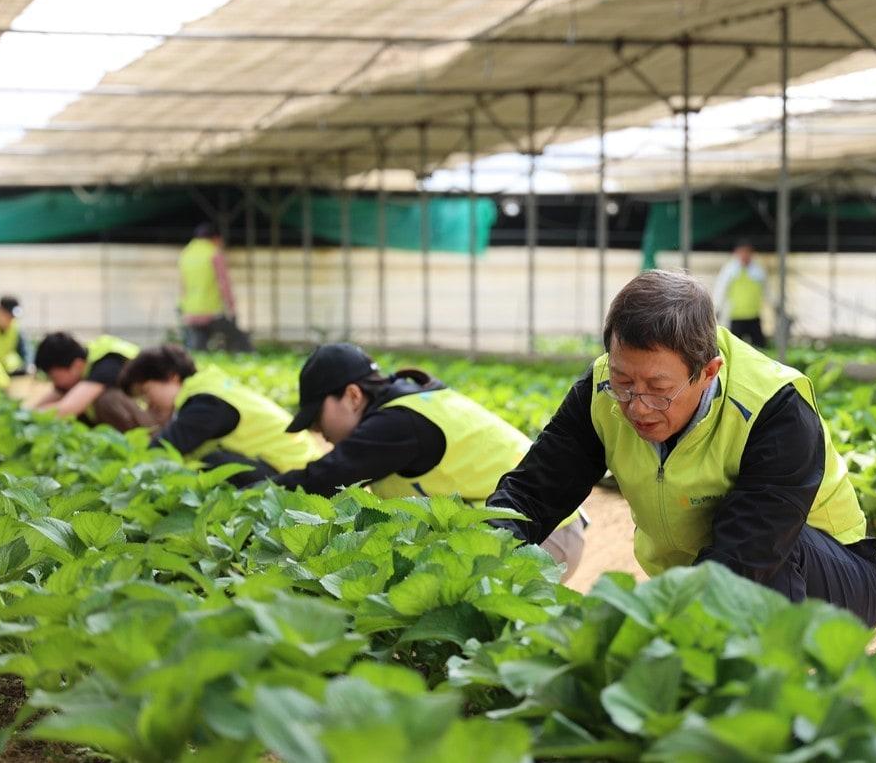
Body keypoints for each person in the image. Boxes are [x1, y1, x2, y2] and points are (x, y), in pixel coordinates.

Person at [485, 270, 876, 627]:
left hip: (838, 578)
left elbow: (746, 557)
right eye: (624, 382)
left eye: (659, 389)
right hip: (702, 578)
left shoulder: (775, 408)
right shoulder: (601, 390)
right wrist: (481, 562)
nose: (637, 405)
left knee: (772, 555)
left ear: (708, 370)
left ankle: (759, 696)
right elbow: (531, 494)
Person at [270, 343, 588, 580]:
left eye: (316, 420)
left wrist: (257, 489)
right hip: (541, 526)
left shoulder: (395, 424)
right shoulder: (409, 406)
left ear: (353, 396)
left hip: (542, 536)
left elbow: (319, 481)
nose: (319, 432)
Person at [118, 344, 323, 486]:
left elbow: (163, 449)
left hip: (292, 473)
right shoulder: (209, 388)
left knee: (210, 463)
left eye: (146, 392)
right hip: (295, 462)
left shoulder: (206, 403)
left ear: (172, 377)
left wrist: (125, 474)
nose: (147, 405)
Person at [30, 332, 157, 431]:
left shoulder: (108, 363)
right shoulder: (85, 365)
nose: (55, 383)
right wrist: (25, 413)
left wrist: (29, 417)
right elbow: (50, 400)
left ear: (77, 366)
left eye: (54, 377)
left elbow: (66, 409)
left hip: (154, 423)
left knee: (106, 401)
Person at [178, 223, 252, 352]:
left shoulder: (186, 254)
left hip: (190, 311)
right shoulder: (213, 253)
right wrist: (232, 307)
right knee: (239, 340)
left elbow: (183, 284)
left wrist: (182, 307)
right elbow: (224, 283)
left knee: (198, 347)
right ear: (215, 238)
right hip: (211, 312)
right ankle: (247, 357)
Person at [713, 240, 767, 348]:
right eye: (742, 252)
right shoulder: (729, 270)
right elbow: (720, 289)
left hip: (754, 315)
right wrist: (717, 308)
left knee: (759, 347)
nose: (745, 255)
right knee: (735, 348)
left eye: (747, 252)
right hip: (736, 316)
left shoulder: (758, 271)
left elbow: (767, 290)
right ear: (736, 253)